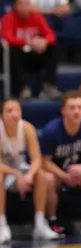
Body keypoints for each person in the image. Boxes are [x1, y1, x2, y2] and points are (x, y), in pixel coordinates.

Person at [40, 91, 81, 235]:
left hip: (79, 173)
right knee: (48, 178)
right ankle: (52, 220)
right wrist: (64, 176)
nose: (76, 111)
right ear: (63, 111)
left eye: (80, 107)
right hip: (58, 174)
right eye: (72, 108)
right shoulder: (51, 131)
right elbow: (44, 162)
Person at [0, 98, 59, 241]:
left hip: (20, 170)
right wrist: (17, 174)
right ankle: (2, 226)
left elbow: (37, 159)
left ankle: (40, 224)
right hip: (6, 172)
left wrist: (29, 175)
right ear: (1, 115)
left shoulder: (27, 128)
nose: (15, 114)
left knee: (41, 174)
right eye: (9, 111)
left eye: (18, 110)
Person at [1, 0, 61, 100]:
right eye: (21, 4)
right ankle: (24, 88)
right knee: (12, 51)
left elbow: (51, 35)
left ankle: (48, 85)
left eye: (26, 3)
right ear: (15, 6)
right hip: (17, 58)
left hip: (34, 56)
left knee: (53, 47)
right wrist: (28, 42)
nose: (24, 7)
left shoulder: (37, 17)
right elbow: (7, 38)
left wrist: (43, 41)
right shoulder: (8, 18)